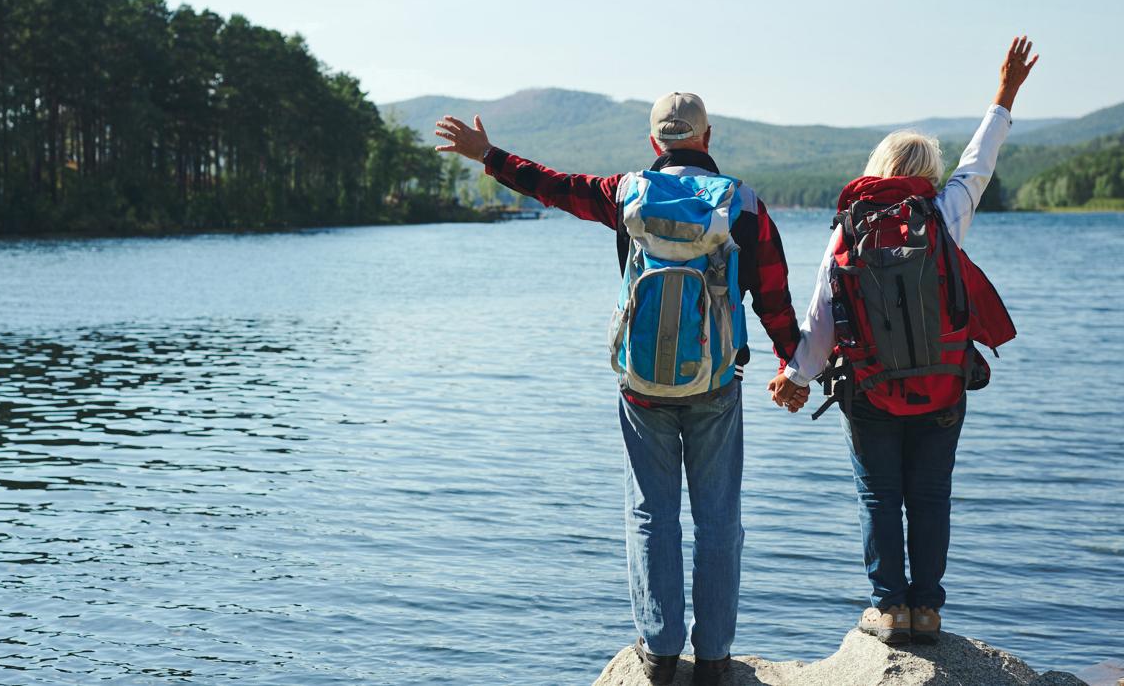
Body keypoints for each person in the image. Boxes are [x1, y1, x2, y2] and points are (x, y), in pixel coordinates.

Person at [434, 93, 809, 686]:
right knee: (718, 519)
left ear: (654, 142)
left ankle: (660, 653)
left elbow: (555, 186)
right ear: (708, 140)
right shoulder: (744, 203)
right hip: (716, 383)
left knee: (650, 515)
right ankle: (713, 659)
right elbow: (775, 299)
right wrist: (796, 366)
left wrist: (490, 156)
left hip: (640, 384)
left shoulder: (626, 191)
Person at [768, 36, 1039, 645]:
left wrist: (794, 377)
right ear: (928, 177)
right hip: (942, 389)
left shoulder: (848, 231)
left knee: (880, 497)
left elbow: (820, 321)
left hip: (869, 392)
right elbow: (981, 161)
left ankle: (888, 609)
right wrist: (1005, 93)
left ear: (877, 169)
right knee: (931, 497)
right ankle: (929, 611)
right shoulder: (942, 215)